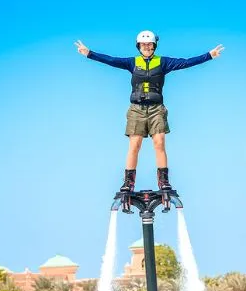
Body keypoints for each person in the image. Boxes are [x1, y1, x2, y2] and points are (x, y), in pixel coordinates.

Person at [75, 31, 224, 192]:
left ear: (154, 45)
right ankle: (128, 183)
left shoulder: (163, 62)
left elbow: (186, 62)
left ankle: (163, 181)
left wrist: (209, 55)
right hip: (136, 109)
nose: (146, 47)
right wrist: (89, 53)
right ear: (138, 46)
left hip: (156, 109)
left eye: (149, 44)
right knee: (135, 145)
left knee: (159, 142)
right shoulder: (133, 62)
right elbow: (111, 60)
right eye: (143, 44)